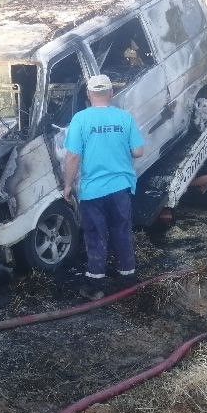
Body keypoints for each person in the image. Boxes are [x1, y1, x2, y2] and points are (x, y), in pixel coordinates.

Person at [62, 73, 145, 300]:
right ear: (111, 93)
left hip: (93, 191)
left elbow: (73, 156)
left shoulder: (80, 119)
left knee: (95, 234)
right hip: (120, 187)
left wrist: (68, 185)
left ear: (89, 94)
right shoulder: (125, 118)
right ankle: (127, 279)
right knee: (122, 231)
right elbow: (138, 151)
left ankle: (95, 284)